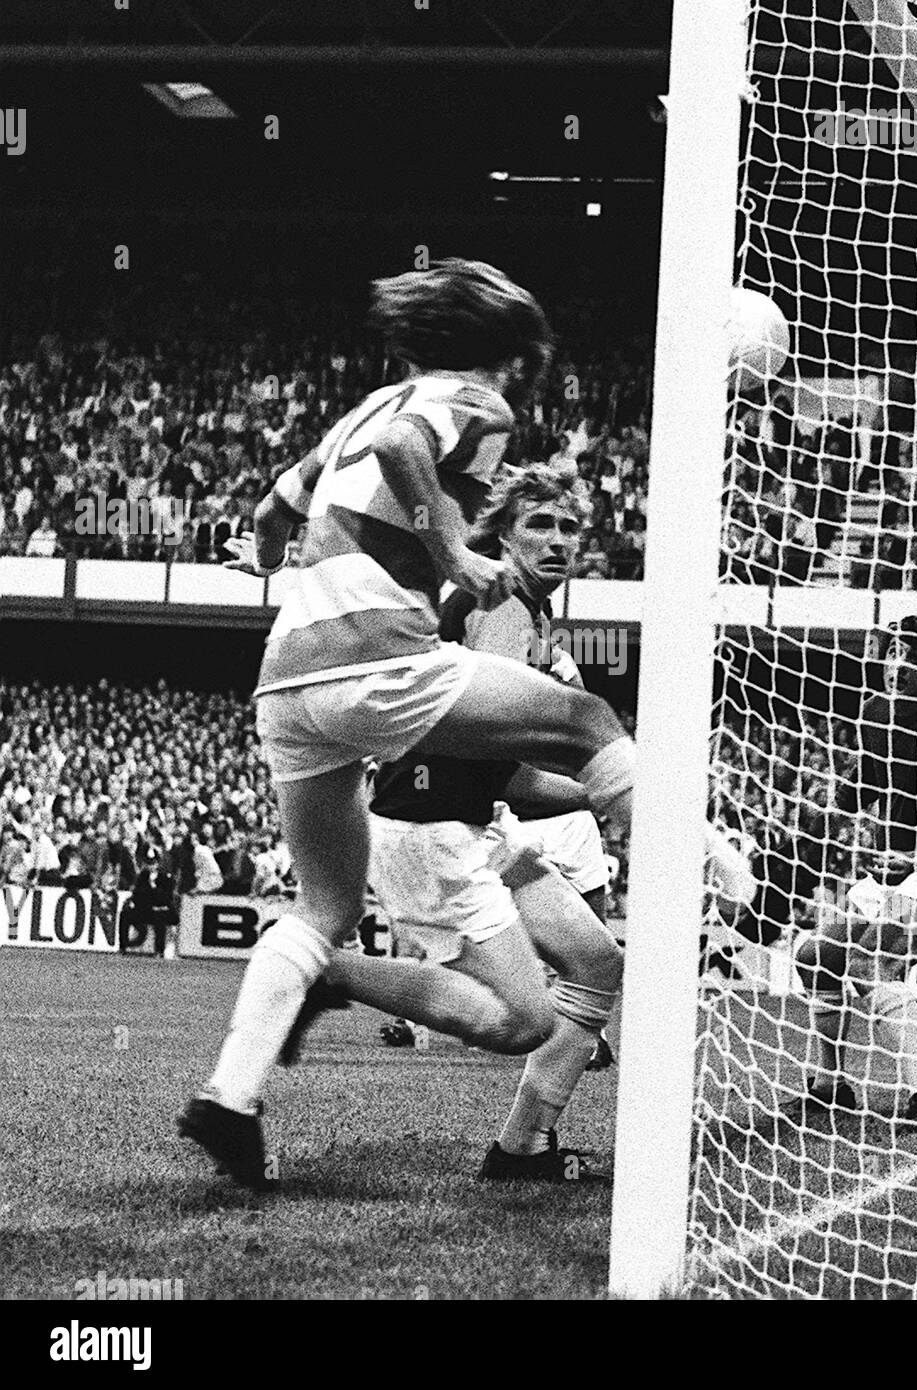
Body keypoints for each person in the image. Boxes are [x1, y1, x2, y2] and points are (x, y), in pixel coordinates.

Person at [179, 259, 754, 1191]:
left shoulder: (359, 408)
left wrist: (270, 562)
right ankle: (692, 857)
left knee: (327, 912)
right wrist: (448, 545)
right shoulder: (474, 404)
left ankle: (228, 1101)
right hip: (374, 663)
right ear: (509, 348)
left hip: (287, 682)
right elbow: (412, 446)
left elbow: (269, 513)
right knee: (584, 716)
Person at [286, 462, 623, 1180]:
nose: (557, 541)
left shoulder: (530, 612)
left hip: (476, 824)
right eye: (539, 525)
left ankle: (522, 1150)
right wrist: (609, 785)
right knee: (521, 1021)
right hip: (430, 834)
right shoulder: (498, 609)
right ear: (503, 532)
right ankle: (329, 973)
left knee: (596, 961)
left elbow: (507, 778)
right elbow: (508, 765)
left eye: (568, 527)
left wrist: (601, 785)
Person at [790, 617, 917, 1129]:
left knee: (871, 963)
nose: (894, 666)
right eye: (891, 653)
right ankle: (831, 1086)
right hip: (890, 875)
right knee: (816, 956)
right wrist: (839, 795)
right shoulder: (875, 713)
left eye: (908, 656)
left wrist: (913, 859)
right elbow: (862, 789)